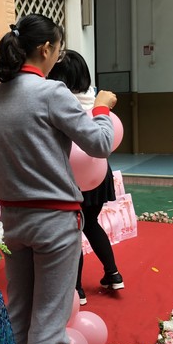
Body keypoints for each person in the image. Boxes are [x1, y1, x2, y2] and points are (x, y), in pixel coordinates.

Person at [0, 14, 117, 344]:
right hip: (54, 222)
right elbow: (100, 144)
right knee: (48, 322)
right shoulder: (50, 92)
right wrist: (101, 107)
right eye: (57, 49)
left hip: (13, 220)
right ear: (45, 49)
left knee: (19, 314)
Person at [48, 50, 124, 305]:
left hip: (73, 175)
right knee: (91, 223)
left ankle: (77, 290)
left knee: (74, 231)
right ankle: (113, 273)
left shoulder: (61, 103)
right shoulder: (94, 98)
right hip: (98, 172)